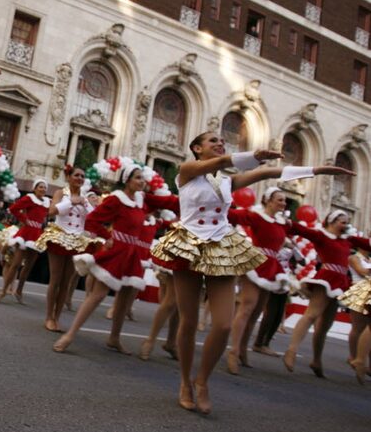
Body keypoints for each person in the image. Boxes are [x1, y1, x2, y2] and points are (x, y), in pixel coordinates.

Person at [150, 132, 350, 414]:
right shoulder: (187, 171)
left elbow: (269, 173)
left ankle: (203, 381)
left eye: (221, 140)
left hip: (221, 245)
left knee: (222, 324)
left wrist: (316, 170)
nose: (219, 142)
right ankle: (185, 382)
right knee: (188, 320)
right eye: (211, 141)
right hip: (189, 246)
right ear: (196, 148)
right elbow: (227, 161)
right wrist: (252, 156)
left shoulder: (227, 181)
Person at [53, 165, 178, 355]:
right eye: (137, 178)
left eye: (143, 179)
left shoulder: (142, 200)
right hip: (117, 252)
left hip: (133, 255)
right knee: (98, 295)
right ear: (127, 180)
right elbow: (92, 220)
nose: (142, 182)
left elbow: (168, 202)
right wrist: (107, 236)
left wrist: (195, 200)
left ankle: (114, 338)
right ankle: (69, 335)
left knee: (126, 298)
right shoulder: (116, 199)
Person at [283, 210, 371, 378]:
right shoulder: (321, 236)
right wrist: (286, 223)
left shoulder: (348, 240)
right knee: (311, 315)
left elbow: (367, 243)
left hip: (340, 283)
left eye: (347, 222)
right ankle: (291, 351)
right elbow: (300, 230)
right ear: (331, 221)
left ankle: (316, 360)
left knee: (324, 326)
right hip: (326, 278)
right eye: (342, 222)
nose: (346, 225)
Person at [225, 187, 296, 374]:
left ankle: (242, 350)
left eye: (284, 200)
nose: (283, 203)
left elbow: (302, 233)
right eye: (280, 200)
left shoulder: (283, 223)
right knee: (247, 307)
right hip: (255, 262)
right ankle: (232, 351)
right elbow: (235, 216)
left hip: (272, 266)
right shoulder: (256, 216)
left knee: (257, 312)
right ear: (268, 201)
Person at [34, 165, 99, 333]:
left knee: (66, 282)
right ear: (69, 177)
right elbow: (51, 211)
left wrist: (86, 204)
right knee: (55, 279)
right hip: (59, 236)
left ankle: (57, 317)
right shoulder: (60, 193)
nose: (80, 178)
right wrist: (71, 201)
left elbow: (94, 217)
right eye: (77, 175)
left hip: (77, 240)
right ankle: (49, 317)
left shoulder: (84, 197)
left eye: (82, 176)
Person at [0, 180, 50, 304]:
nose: (43, 189)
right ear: (35, 188)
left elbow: (45, 216)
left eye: (45, 188)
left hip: (37, 234)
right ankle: (3, 291)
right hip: (26, 233)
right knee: (16, 264)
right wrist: (24, 219)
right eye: (40, 187)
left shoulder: (47, 202)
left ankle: (19, 291)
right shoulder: (29, 198)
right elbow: (14, 209)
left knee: (28, 267)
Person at [339, 276, 371, 383]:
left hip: (363, 287)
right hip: (364, 288)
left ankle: (357, 359)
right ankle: (358, 359)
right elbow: (361, 270)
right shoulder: (356, 258)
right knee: (360, 328)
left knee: (358, 328)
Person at [347, 245, 371, 371]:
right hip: (359, 291)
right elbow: (361, 271)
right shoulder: (354, 257)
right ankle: (353, 356)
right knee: (358, 327)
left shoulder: (368, 259)